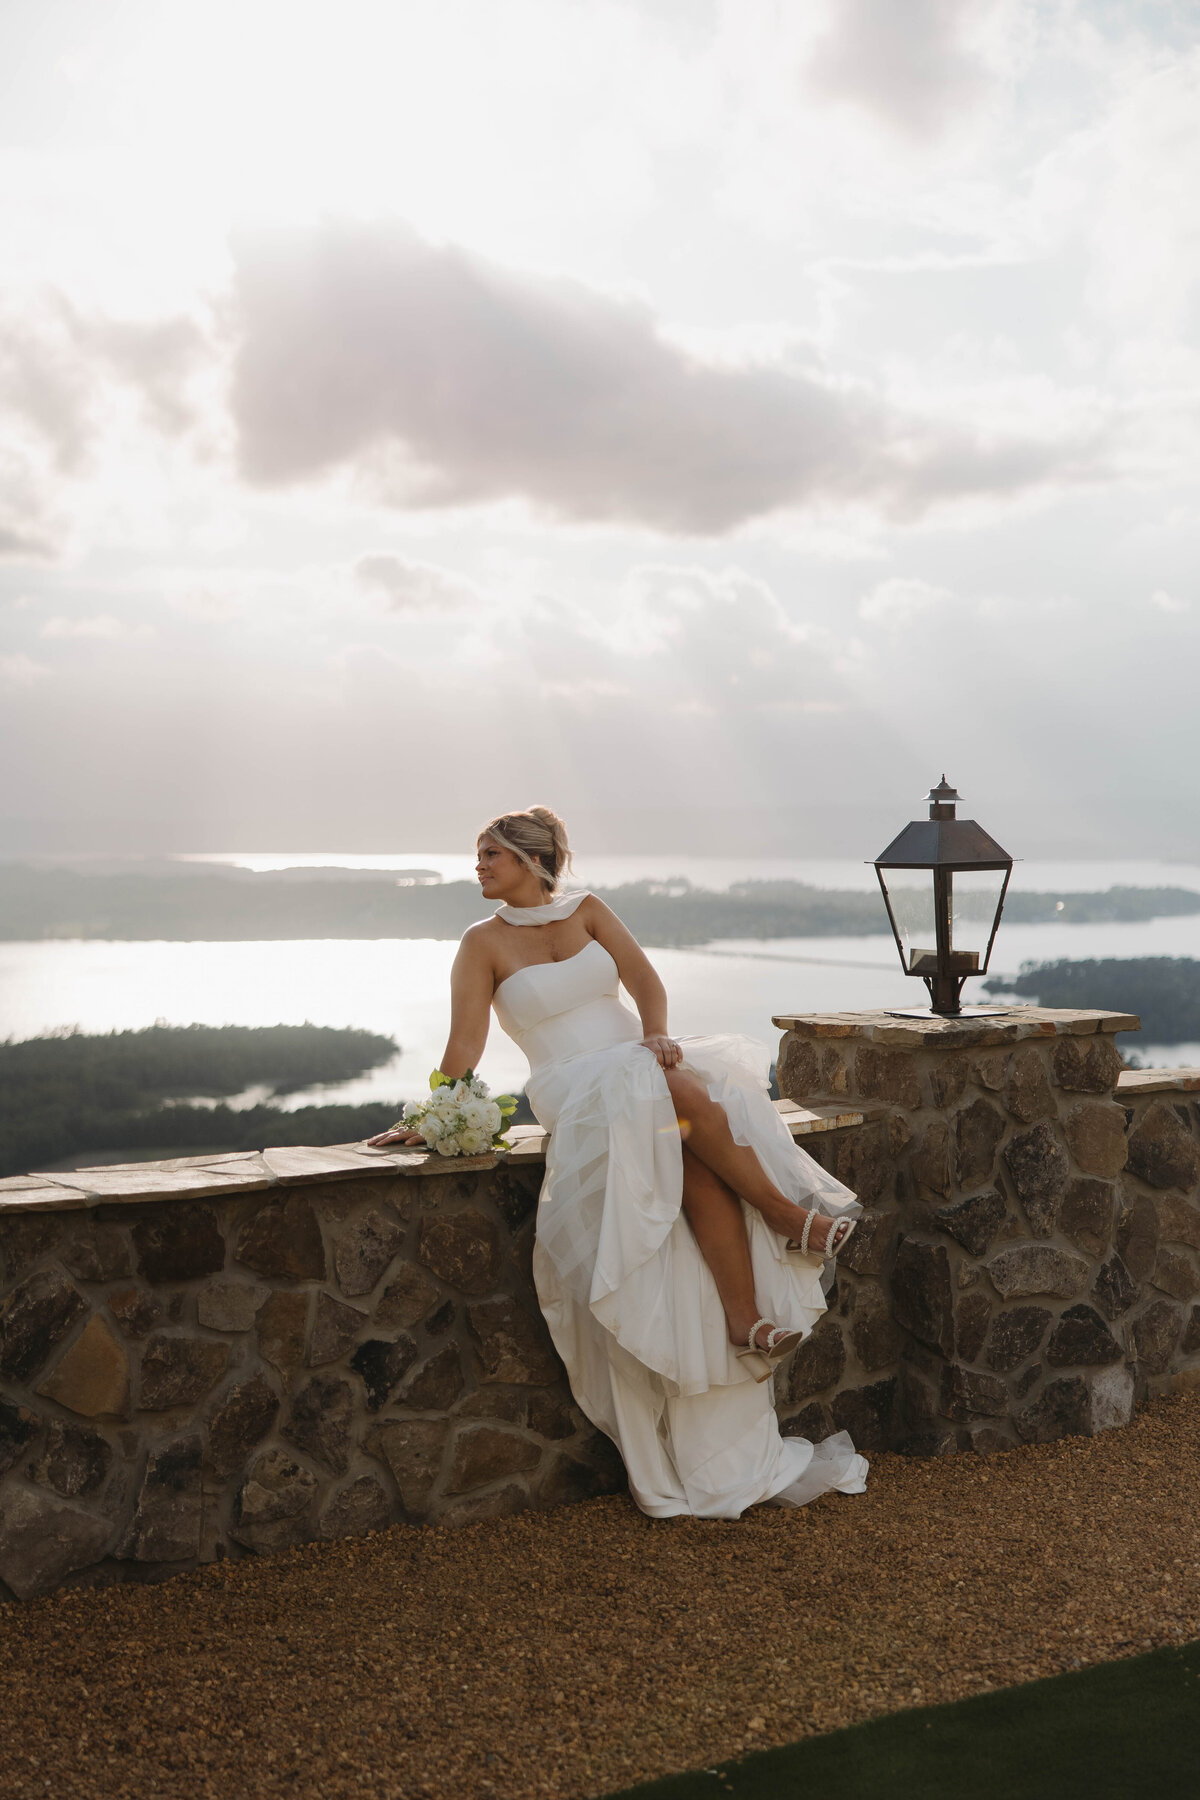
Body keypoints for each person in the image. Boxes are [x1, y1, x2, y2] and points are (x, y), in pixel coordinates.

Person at [368, 806, 868, 1518]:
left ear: (532, 862)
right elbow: (466, 1044)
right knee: (668, 1090)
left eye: (491, 855)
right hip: (574, 1086)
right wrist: (432, 1115)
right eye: (479, 856)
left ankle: (743, 1317)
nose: (478, 867)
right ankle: (786, 1214)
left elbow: (646, 986)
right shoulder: (481, 944)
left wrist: (660, 1036)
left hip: (643, 1067)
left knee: (691, 1145)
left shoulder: (591, 911)